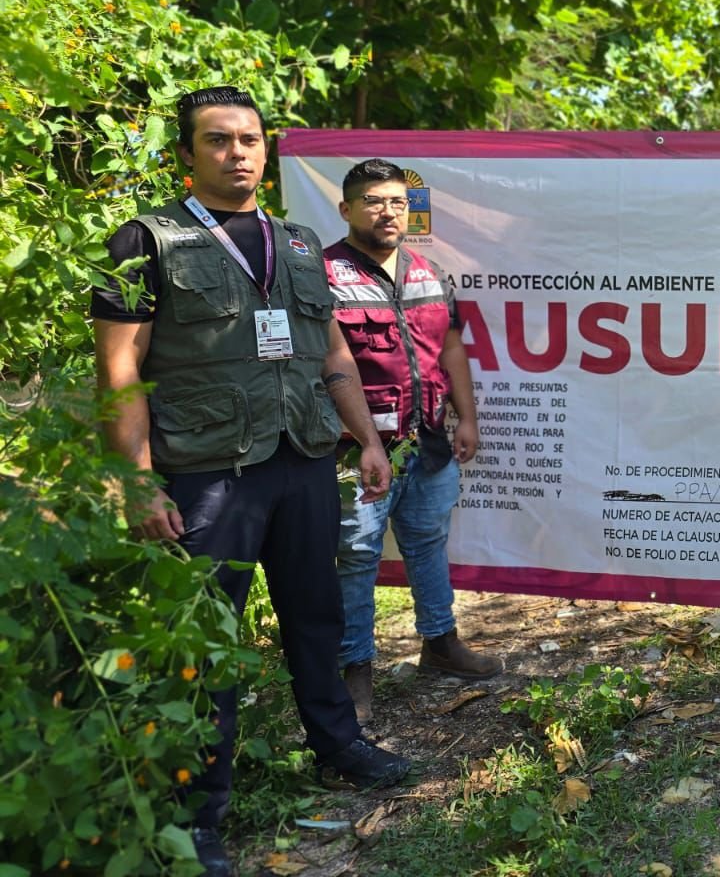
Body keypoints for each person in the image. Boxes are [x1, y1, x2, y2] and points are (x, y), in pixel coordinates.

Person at [92, 87, 411, 877]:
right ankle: (200, 810)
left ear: (267, 151)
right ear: (188, 154)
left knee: (316, 614)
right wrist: (137, 483)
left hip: (301, 460)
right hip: (207, 475)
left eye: (250, 140)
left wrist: (366, 439)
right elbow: (118, 370)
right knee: (209, 642)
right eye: (218, 141)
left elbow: (334, 356)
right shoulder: (146, 241)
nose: (238, 153)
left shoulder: (299, 242)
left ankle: (340, 746)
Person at [327, 158, 499, 724]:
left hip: (427, 442)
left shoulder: (428, 271)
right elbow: (329, 363)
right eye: (374, 201)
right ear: (347, 208)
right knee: (356, 557)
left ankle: (439, 643)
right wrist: (363, 438)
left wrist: (465, 418)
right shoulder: (324, 275)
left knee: (427, 542)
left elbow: (451, 348)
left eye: (398, 202)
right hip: (357, 451)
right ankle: (355, 670)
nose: (388, 211)